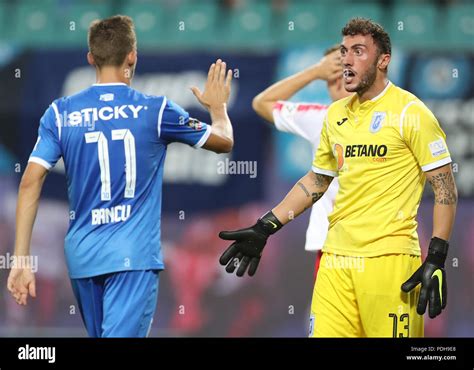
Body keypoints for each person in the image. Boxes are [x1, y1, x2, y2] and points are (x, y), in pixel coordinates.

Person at [218, 18, 457, 337]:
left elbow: (444, 188)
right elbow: (317, 180)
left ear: (383, 60)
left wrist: (437, 257)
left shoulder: (411, 113)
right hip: (335, 260)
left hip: (389, 261)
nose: (347, 59)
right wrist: (266, 226)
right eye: (344, 51)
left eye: (358, 51)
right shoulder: (335, 115)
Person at [7, 15, 234, 337]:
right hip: (132, 256)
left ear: (90, 58)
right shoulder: (156, 110)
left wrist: (20, 259)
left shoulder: (60, 112)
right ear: (132, 56)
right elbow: (224, 142)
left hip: (83, 256)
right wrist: (219, 109)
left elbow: (30, 181)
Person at [252, 45, 351, 276]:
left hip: (383, 247)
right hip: (331, 247)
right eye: (330, 77)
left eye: (344, 72)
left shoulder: (393, 117)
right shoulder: (321, 118)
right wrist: (314, 72)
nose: (336, 82)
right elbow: (262, 103)